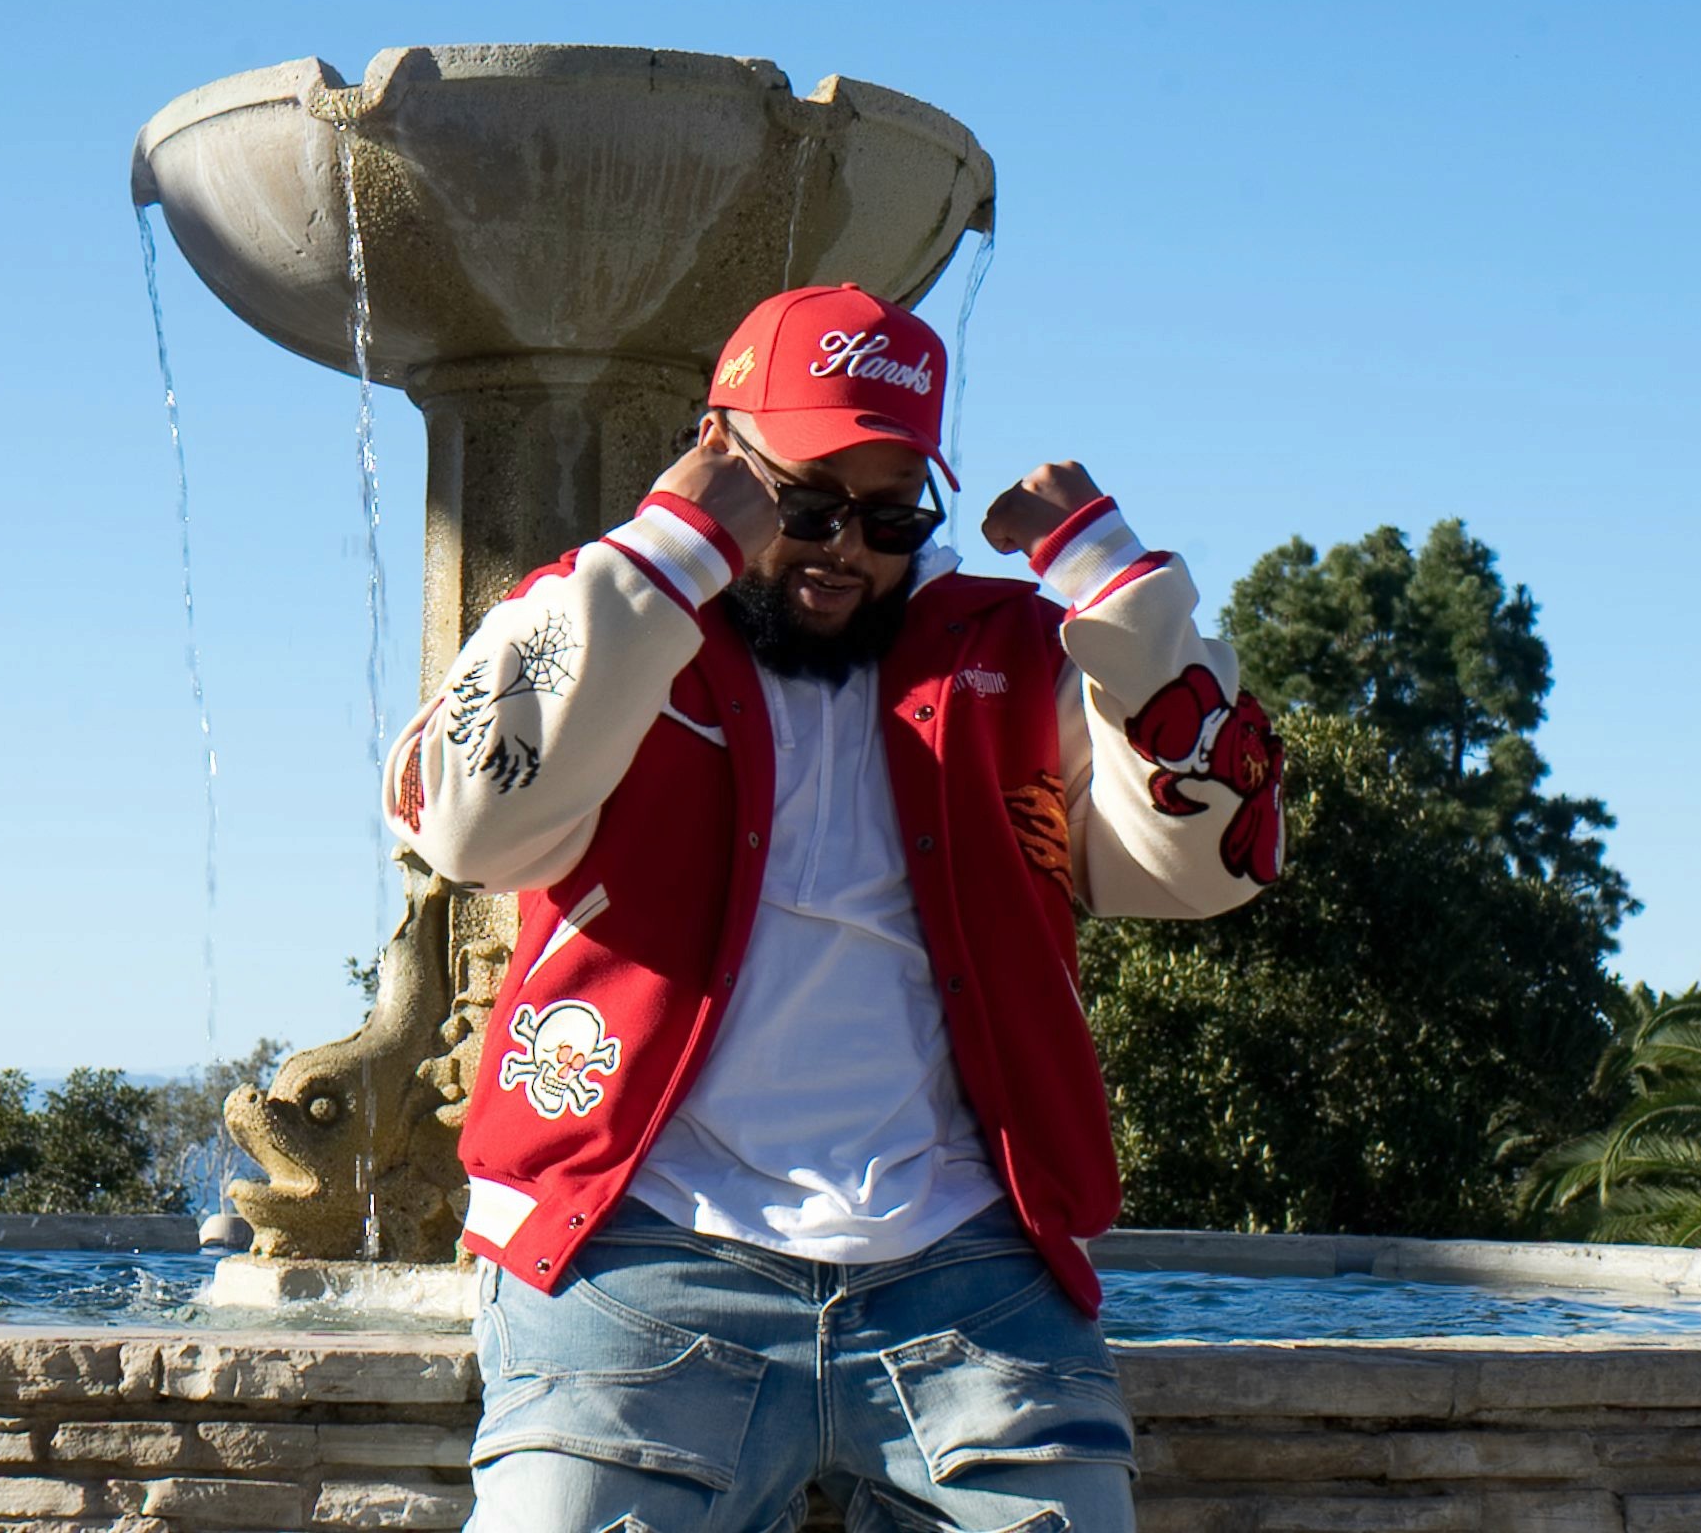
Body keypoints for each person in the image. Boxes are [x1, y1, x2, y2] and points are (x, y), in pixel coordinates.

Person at [385, 282, 1284, 1533]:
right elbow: (469, 826)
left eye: (889, 512)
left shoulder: (1016, 656)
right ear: (721, 460)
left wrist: (1112, 581)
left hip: (970, 1271)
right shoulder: (602, 622)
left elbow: (1214, 864)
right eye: (801, 503)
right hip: (641, 1253)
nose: (842, 546)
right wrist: (664, 549)